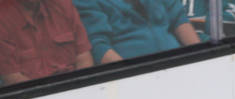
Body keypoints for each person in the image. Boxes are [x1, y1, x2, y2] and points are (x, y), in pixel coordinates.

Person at [0, 0, 93, 85]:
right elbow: (11, 78)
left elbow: (83, 56)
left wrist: (80, 88)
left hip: (76, 88)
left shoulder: (63, 4)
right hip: (32, 98)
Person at [72, 0, 200, 64]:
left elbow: (179, 19)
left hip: (178, 65)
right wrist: (133, 76)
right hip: (132, 77)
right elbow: (98, 47)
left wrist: (199, 57)